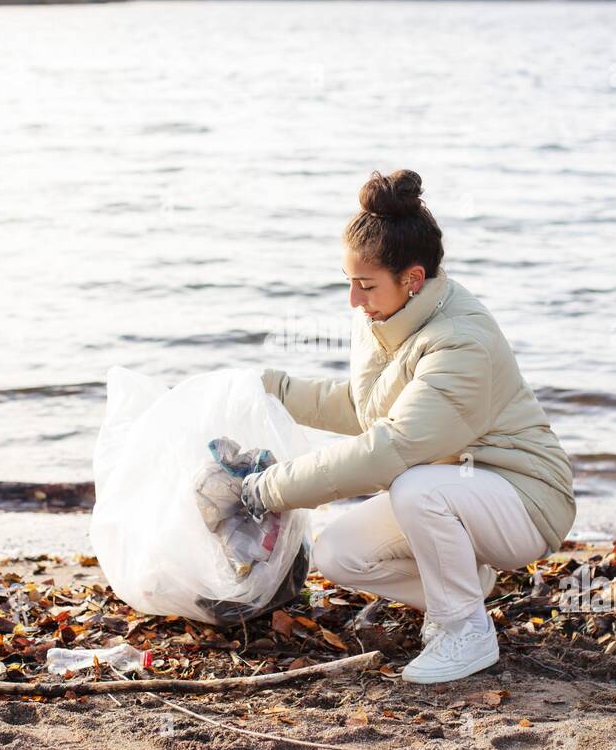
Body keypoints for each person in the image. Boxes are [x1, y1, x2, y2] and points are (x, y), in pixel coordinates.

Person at [239, 168, 576, 684]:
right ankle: (462, 587)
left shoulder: (461, 342)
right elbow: (365, 409)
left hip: (525, 500)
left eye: (365, 285)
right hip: (460, 489)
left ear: (413, 279)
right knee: (340, 552)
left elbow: (390, 449)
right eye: (350, 282)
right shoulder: (387, 316)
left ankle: (466, 629)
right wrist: (266, 390)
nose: (353, 299)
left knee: (413, 485)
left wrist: (265, 489)